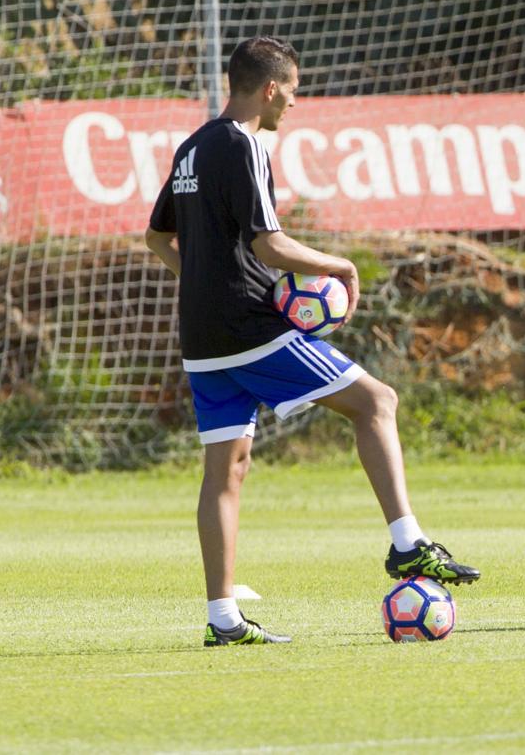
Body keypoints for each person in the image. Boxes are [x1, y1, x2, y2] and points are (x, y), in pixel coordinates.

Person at [145, 36, 480, 647]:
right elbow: (268, 245)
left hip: (201, 336)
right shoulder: (244, 144)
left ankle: (224, 619)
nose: (294, 104)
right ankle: (408, 546)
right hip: (251, 327)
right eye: (293, 91)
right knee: (376, 402)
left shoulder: (193, 146)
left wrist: (202, 282)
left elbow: (156, 237)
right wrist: (339, 266)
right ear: (270, 88)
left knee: (226, 471)